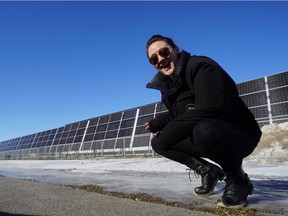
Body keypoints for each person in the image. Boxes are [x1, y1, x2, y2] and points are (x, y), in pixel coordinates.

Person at [144, 34, 262, 208]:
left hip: (239, 134)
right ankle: (209, 172)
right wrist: (156, 123)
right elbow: (178, 114)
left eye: (164, 52)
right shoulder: (170, 86)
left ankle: (239, 181)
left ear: (176, 50)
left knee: (204, 129)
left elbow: (209, 108)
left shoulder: (201, 66)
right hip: (205, 134)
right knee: (158, 143)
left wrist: (169, 132)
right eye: (154, 58)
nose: (160, 59)